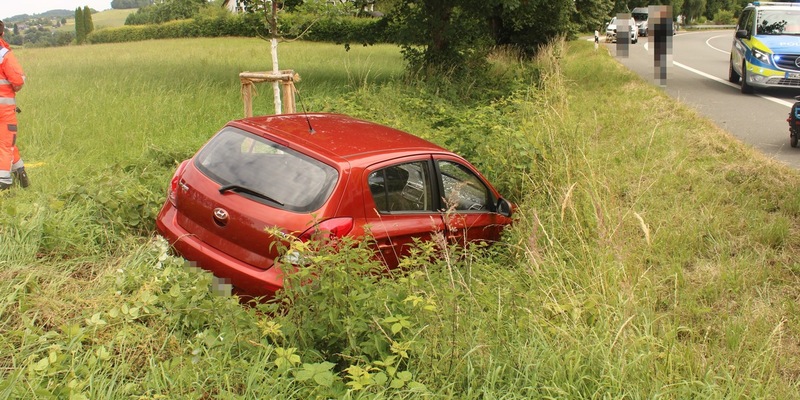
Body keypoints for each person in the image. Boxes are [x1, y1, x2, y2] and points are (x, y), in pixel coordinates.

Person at [0, 19, 28, 190]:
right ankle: (4, 182)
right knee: (5, 143)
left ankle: (21, 174)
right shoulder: (4, 54)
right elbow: (18, 80)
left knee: (7, 142)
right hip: (4, 109)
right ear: (2, 33)